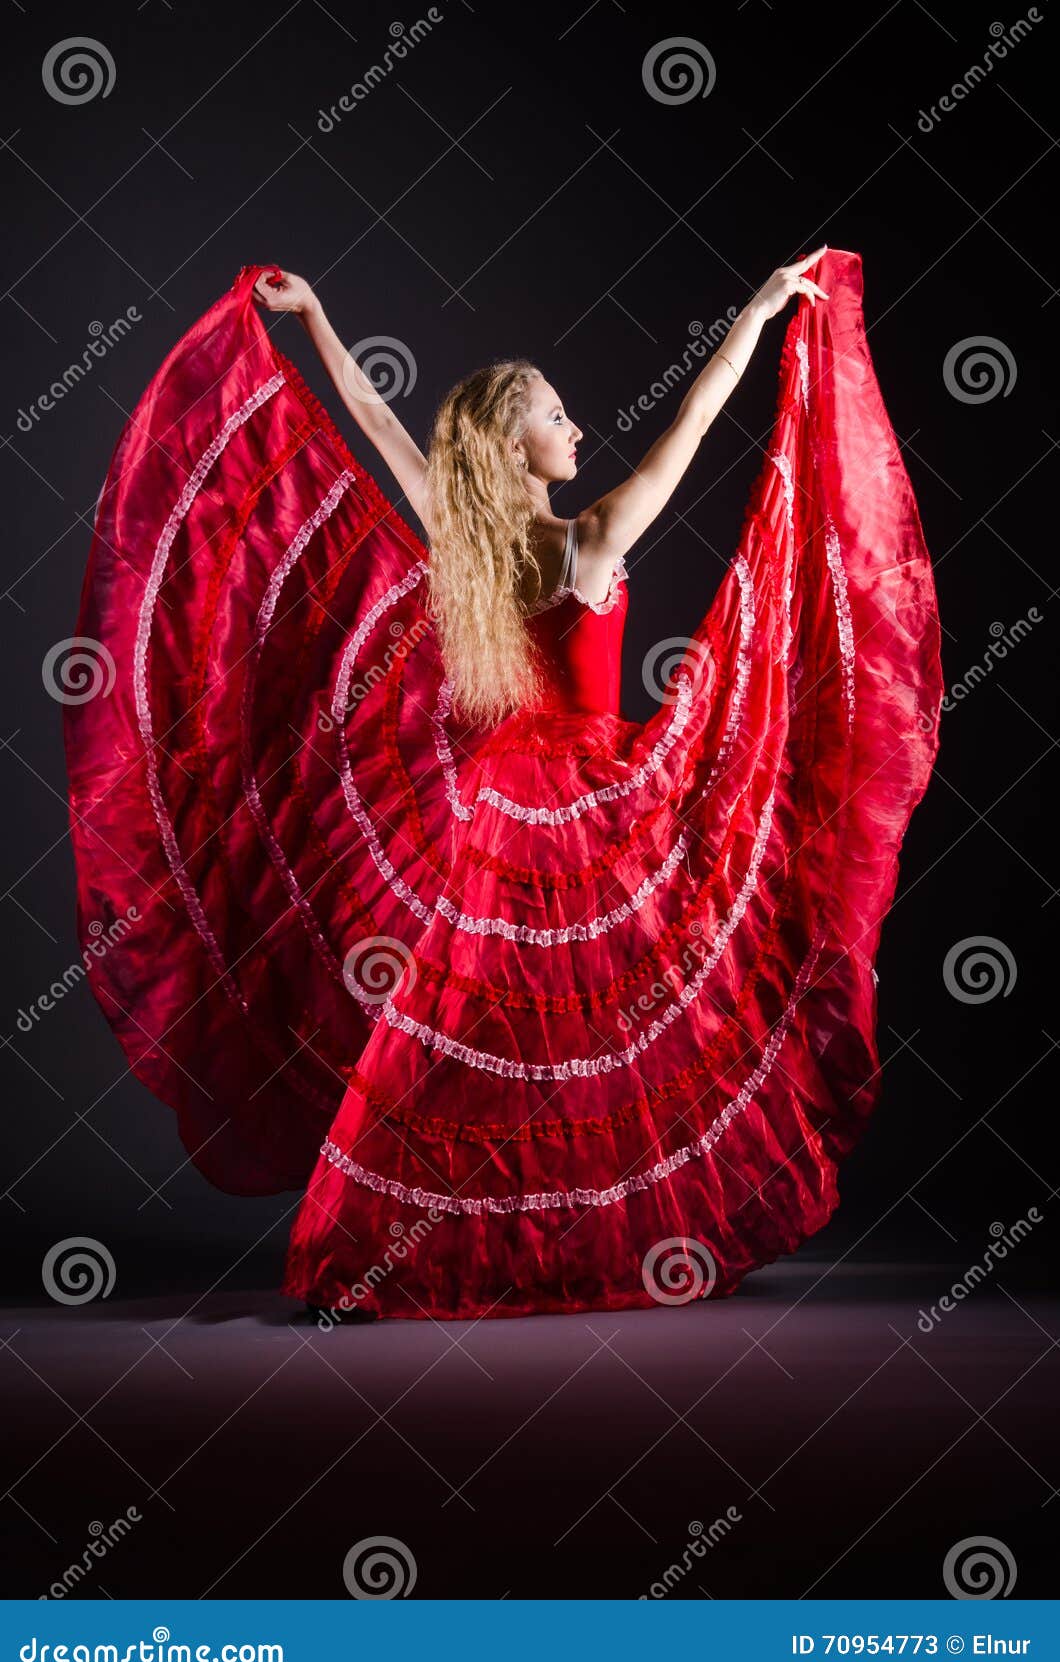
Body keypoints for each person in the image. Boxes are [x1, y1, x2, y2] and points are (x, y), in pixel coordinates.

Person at [64, 246, 942, 1321]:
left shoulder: (463, 544)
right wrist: (756, 318)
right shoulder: (591, 537)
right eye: (555, 417)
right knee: (596, 1040)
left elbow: (381, 433)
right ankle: (582, 1244)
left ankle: (427, 1254)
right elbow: (695, 427)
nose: (574, 430)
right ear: (509, 444)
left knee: (489, 1046)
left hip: (490, 816)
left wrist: (318, 323)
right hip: (590, 809)